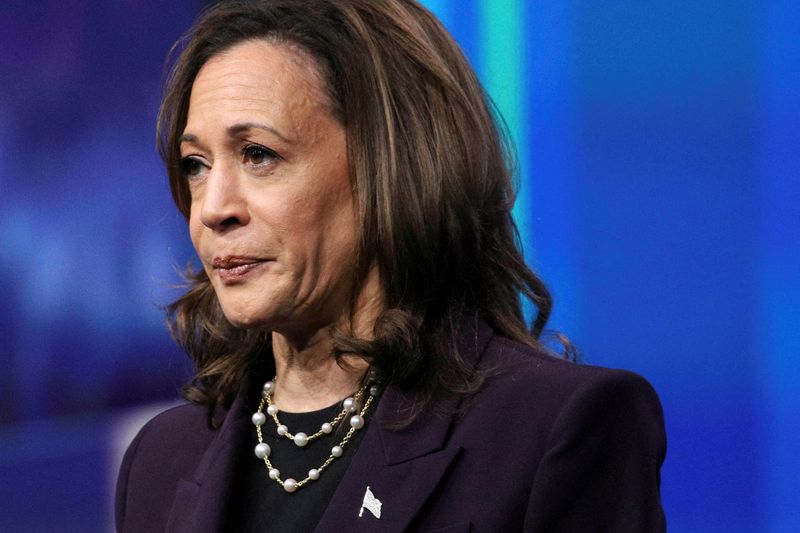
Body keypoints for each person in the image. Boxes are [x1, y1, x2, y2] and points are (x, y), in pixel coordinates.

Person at [115, 0, 666, 531]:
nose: (212, 209)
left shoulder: (554, 430)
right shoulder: (160, 461)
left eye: (258, 154)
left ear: (390, 164)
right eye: (195, 165)